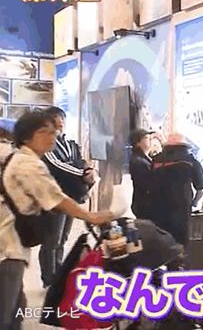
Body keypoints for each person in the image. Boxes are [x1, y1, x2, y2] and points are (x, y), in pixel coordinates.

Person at [0, 110, 113, 329]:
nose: (52, 136)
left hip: (12, 246)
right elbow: (55, 197)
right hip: (8, 249)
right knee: (7, 314)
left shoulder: (22, 158)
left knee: (15, 309)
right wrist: (90, 215)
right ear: (26, 137)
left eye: (54, 131)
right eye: (44, 132)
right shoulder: (28, 164)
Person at [40, 106, 96, 289]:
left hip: (71, 196)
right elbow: (56, 166)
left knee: (63, 238)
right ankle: (49, 278)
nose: (61, 122)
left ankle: (58, 274)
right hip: (54, 197)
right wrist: (82, 173)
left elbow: (79, 160)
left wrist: (87, 169)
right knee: (52, 239)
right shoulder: (46, 143)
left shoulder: (70, 143)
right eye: (56, 118)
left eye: (62, 118)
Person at [150, 133, 203, 249]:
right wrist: (194, 203)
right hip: (181, 208)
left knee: (161, 244)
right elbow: (201, 188)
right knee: (180, 245)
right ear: (184, 146)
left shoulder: (156, 160)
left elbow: (148, 185)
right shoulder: (191, 161)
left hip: (158, 209)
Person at [128, 128, 155, 220]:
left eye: (151, 137)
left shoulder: (147, 159)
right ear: (138, 143)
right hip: (144, 204)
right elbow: (147, 184)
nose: (150, 139)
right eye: (146, 138)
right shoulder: (138, 161)